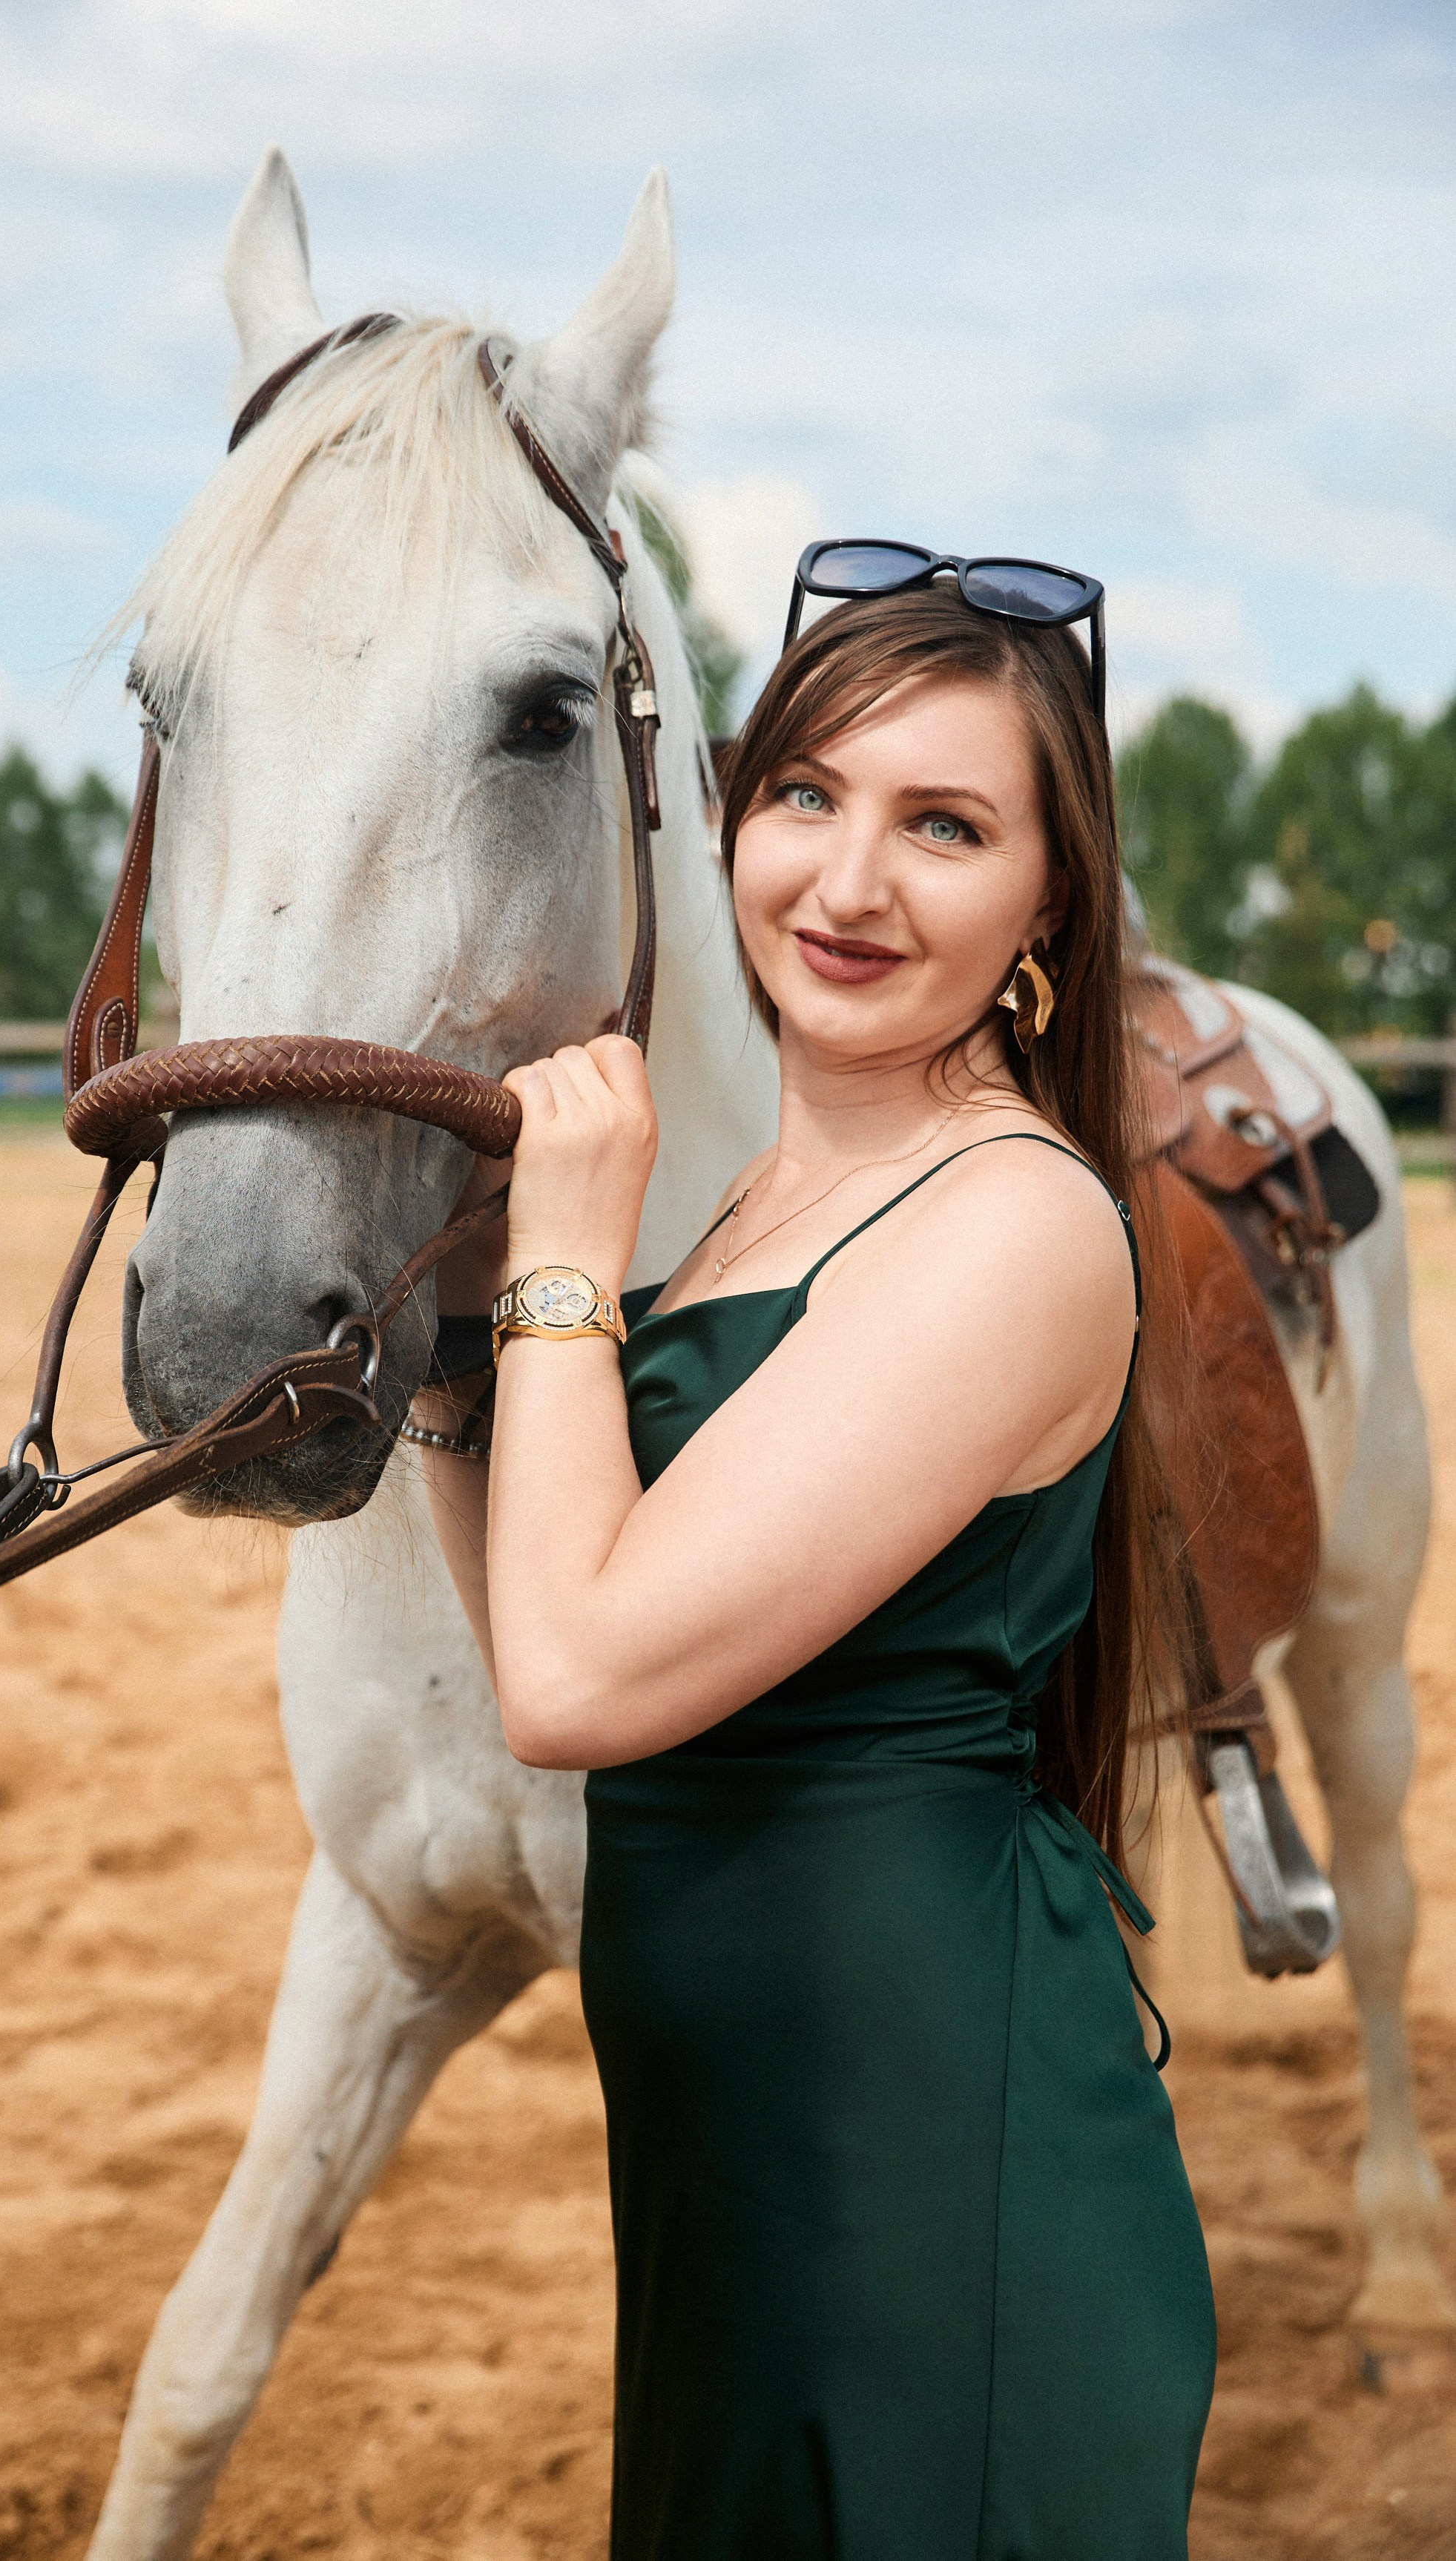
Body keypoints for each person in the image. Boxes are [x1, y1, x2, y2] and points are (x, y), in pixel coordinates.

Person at [413, 563, 1216, 2560]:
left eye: (944, 825)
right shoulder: (762, 1213)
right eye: (809, 797)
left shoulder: (1011, 1227)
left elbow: (577, 1681)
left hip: (928, 2182)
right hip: (737, 2176)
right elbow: (550, 1607)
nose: (850, 881)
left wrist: (575, 1260)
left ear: (1047, 904)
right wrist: (456, 1352)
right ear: (735, 820)